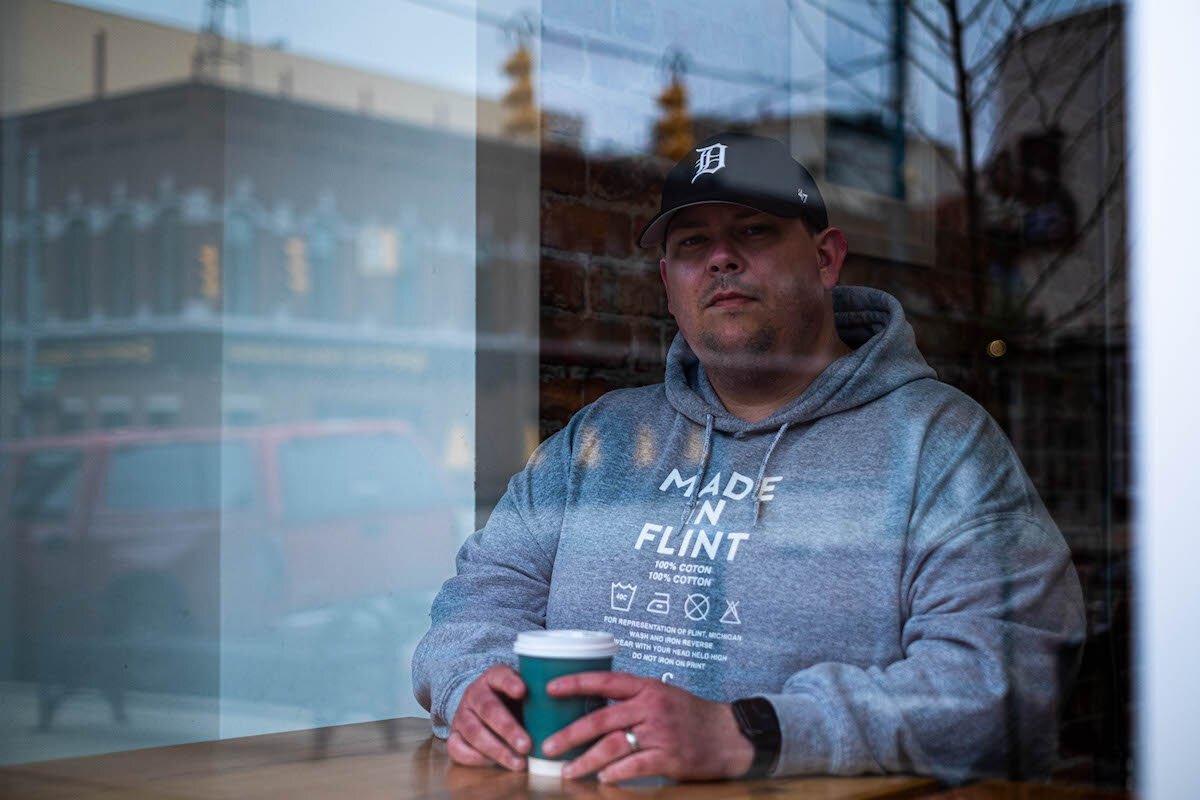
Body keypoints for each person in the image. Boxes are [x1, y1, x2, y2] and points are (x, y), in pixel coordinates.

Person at [412, 132, 1086, 784]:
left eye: (755, 231)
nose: (721, 259)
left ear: (826, 258)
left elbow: (1004, 684)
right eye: (693, 243)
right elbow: (475, 604)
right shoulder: (600, 441)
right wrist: (475, 687)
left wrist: (752, 733)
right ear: (667, 281)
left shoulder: (941, 446)